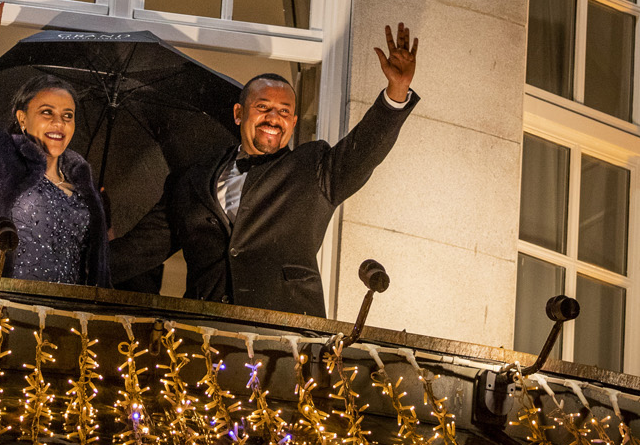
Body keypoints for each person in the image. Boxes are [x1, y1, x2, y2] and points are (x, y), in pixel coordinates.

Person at [109, 25, 420, 317]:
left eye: (284, 111)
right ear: (238, 113)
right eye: (263, 107)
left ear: (293, 123)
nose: (273, 117)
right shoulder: (189, 180)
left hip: (285, 338)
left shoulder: (314, 168)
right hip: (202, 334)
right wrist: (84, 254)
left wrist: (396, 92)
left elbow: (364, 150)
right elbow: (138, 251)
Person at [0, 0, 110, 286]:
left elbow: (97, 270)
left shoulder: (84, 184)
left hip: (66, 313)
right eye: (47, 112)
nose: (59, 123)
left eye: (68, 116)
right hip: (2, 308)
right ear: (22, 118)